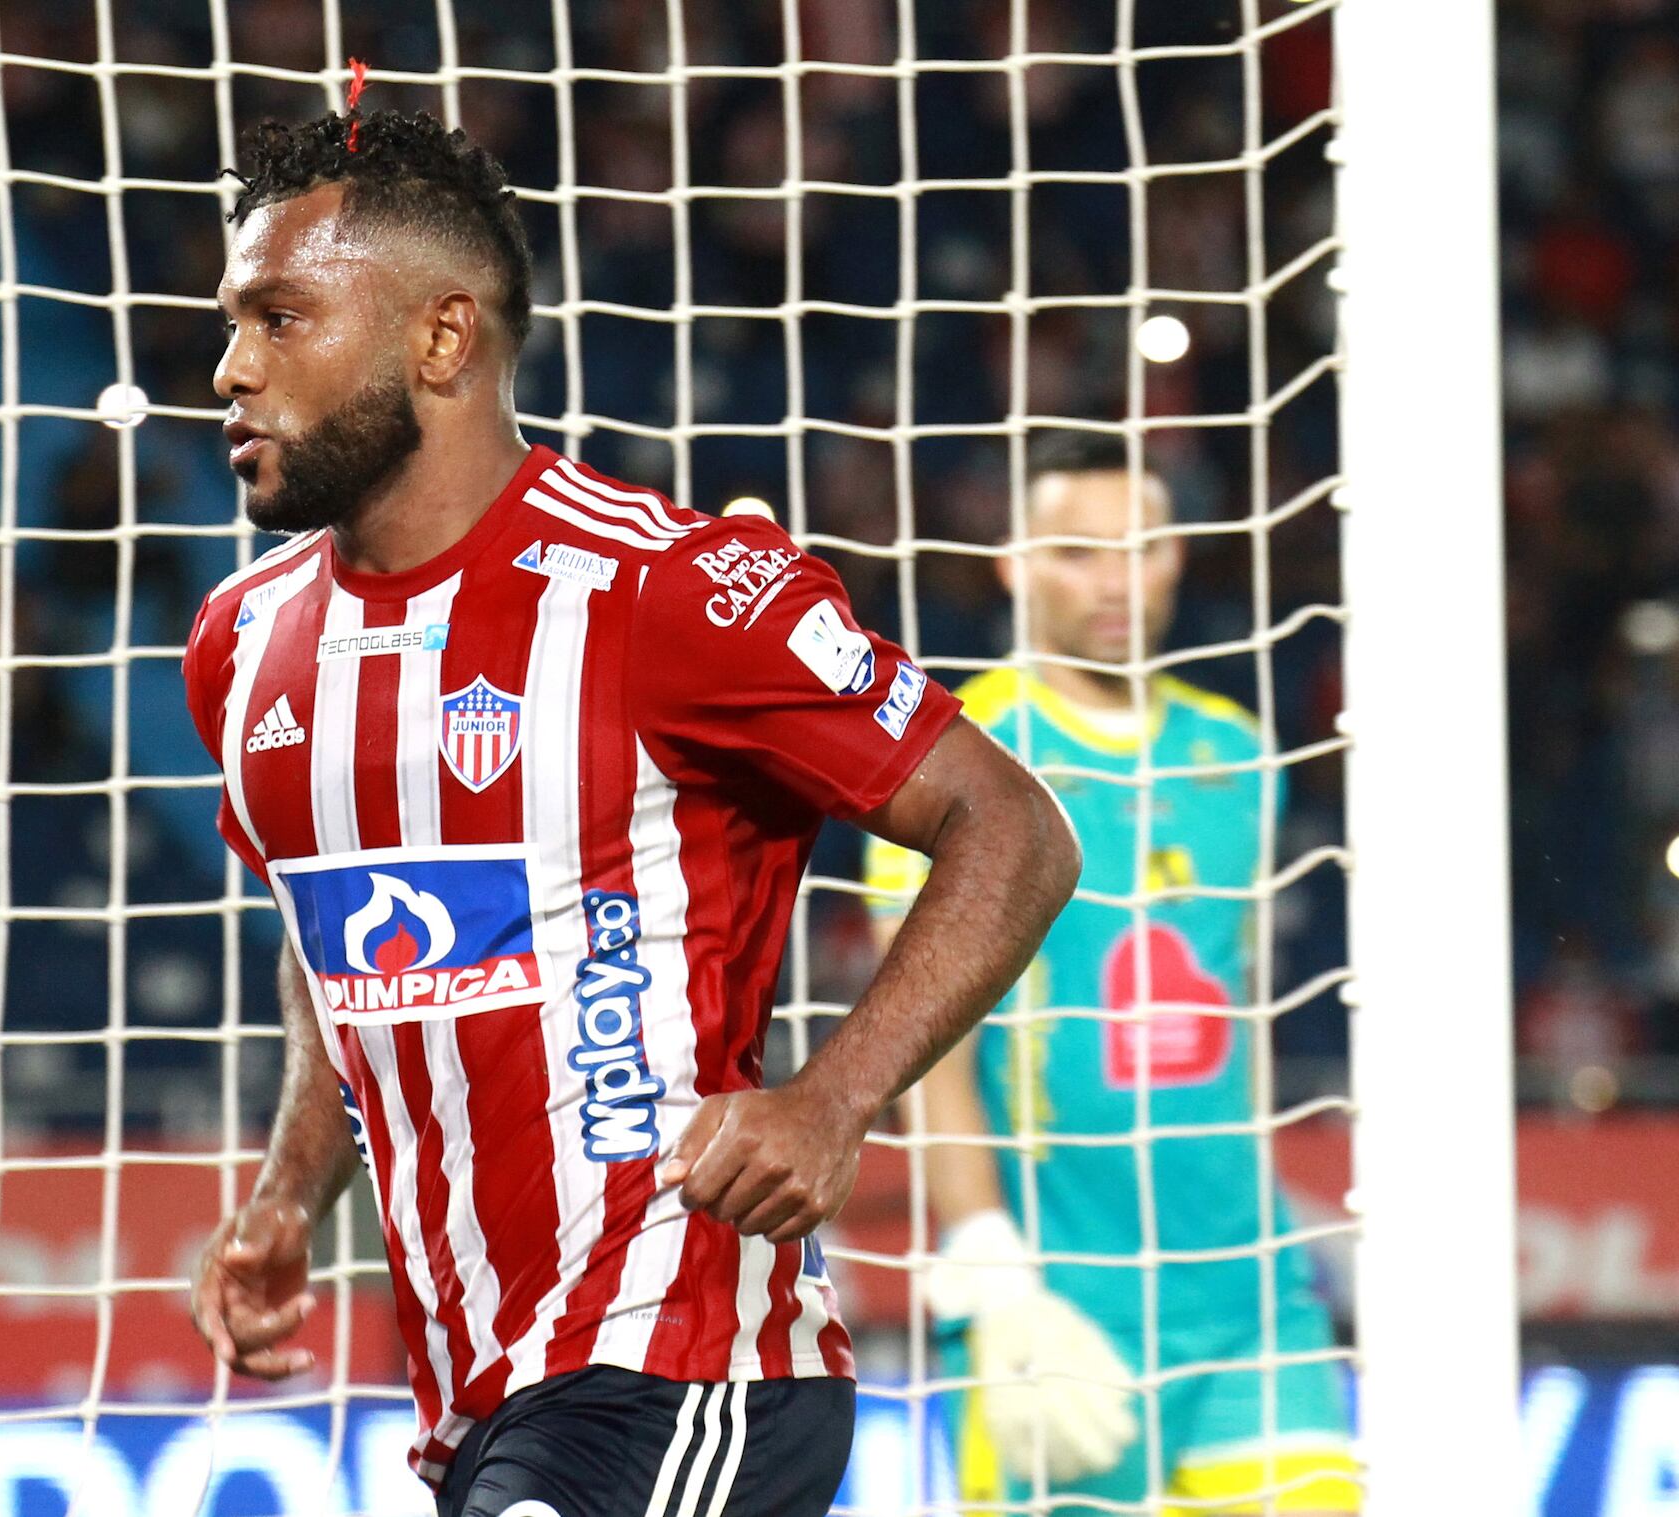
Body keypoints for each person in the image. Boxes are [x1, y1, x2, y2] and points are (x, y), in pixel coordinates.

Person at [180, 101, 1080, 1517]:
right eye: (233, 323)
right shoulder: (241, 646)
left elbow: (1014, 826)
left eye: (280, 319)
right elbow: (329, 926)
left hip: (688, 1353)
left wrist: (832, 1102)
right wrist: (295, 1189)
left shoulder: (664, 588)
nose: (230, 368)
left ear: (442, 337)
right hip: (474, 1387)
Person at [864, 433, 1358, 1514]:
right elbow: (918, 1038)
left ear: (1180, 556)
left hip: (1250, 1289)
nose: (1115, 581)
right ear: (1013, 564)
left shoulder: (1236, 754)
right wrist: (988, 1263)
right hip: (1060, 1292)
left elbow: (1238, 1006)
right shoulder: (955, 755)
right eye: (1079, 552)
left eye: (1140, 549)